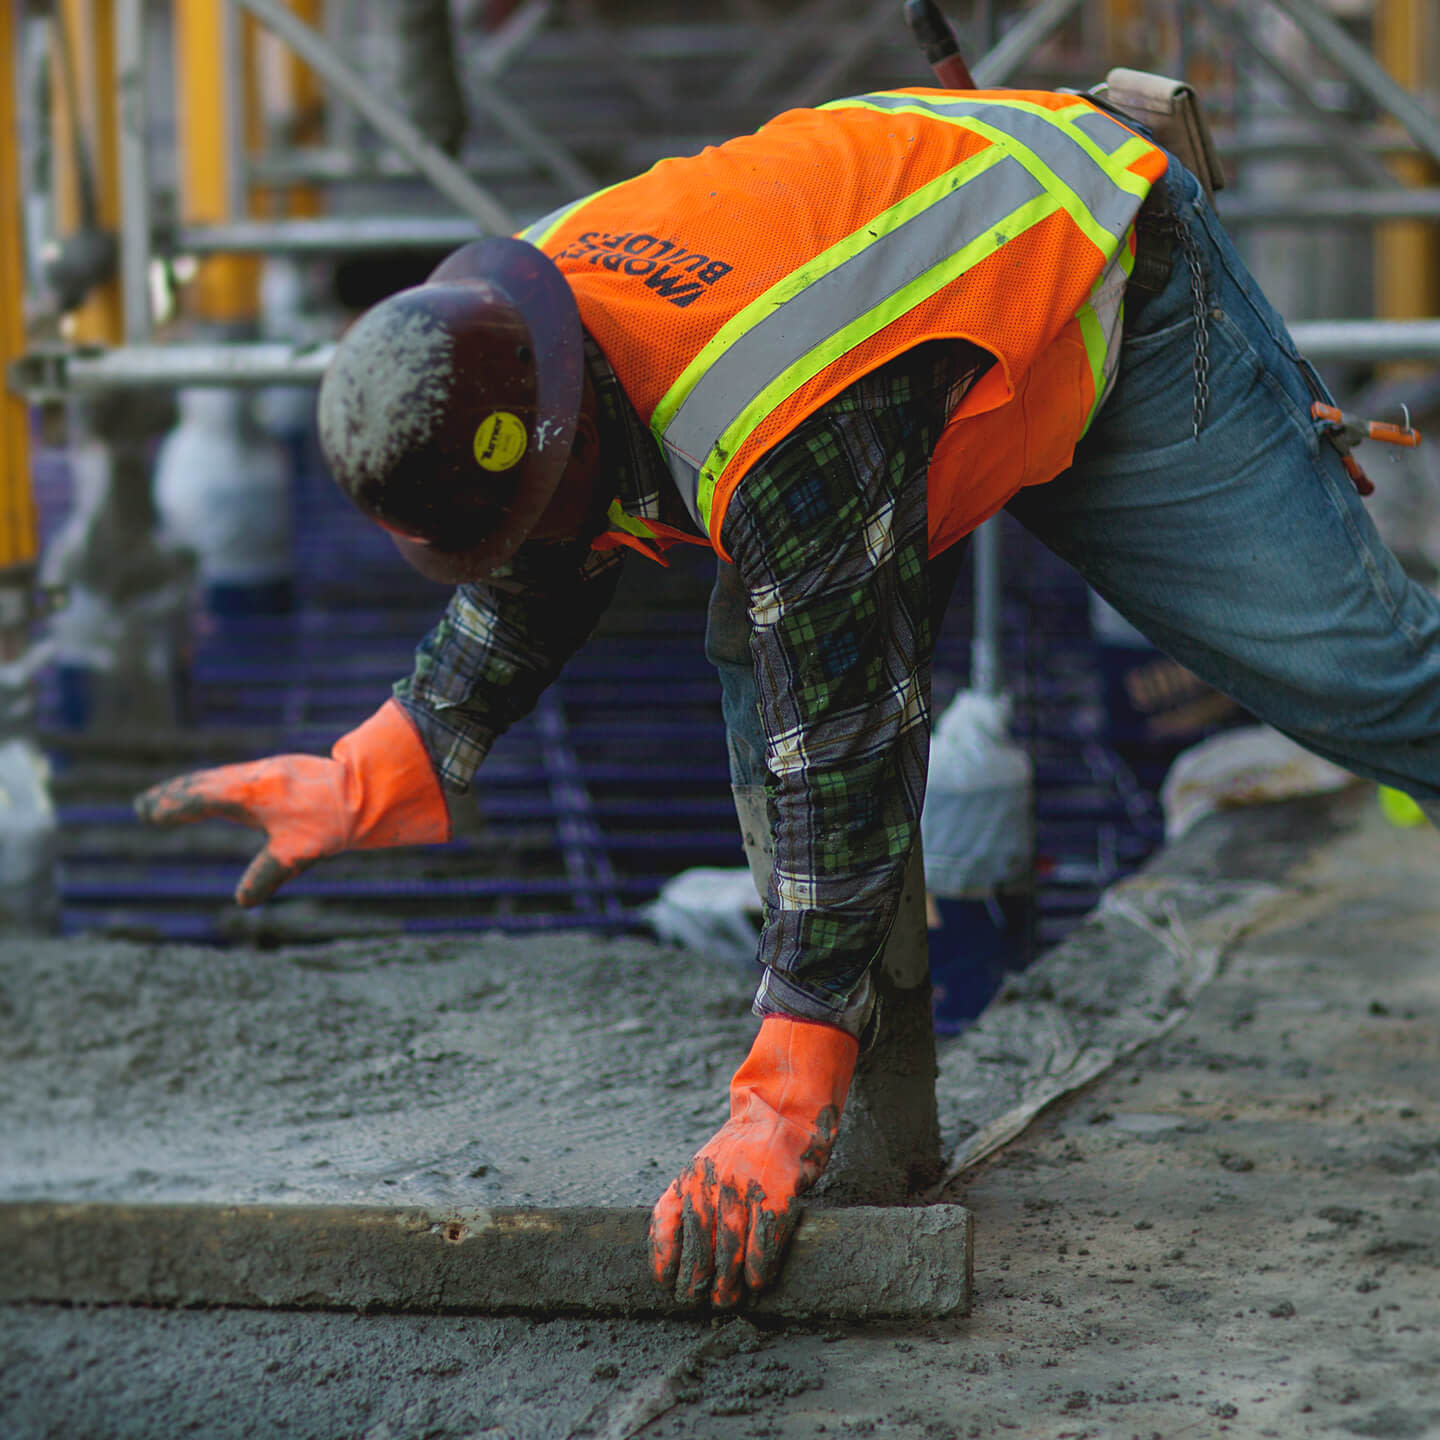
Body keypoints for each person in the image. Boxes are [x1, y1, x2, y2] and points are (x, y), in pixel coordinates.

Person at [136, 84, 1440, 1311]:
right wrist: (396, 759)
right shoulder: (510, 325)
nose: (540, 535)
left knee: (1365, 682)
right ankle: (881, 1138)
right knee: (775, 646)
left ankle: (834, 1090)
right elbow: (547, 537)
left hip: (1096, 282)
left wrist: (785, 1071)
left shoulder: (765, 420)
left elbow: (841, 737)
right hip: (898, 361)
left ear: (567, 429)